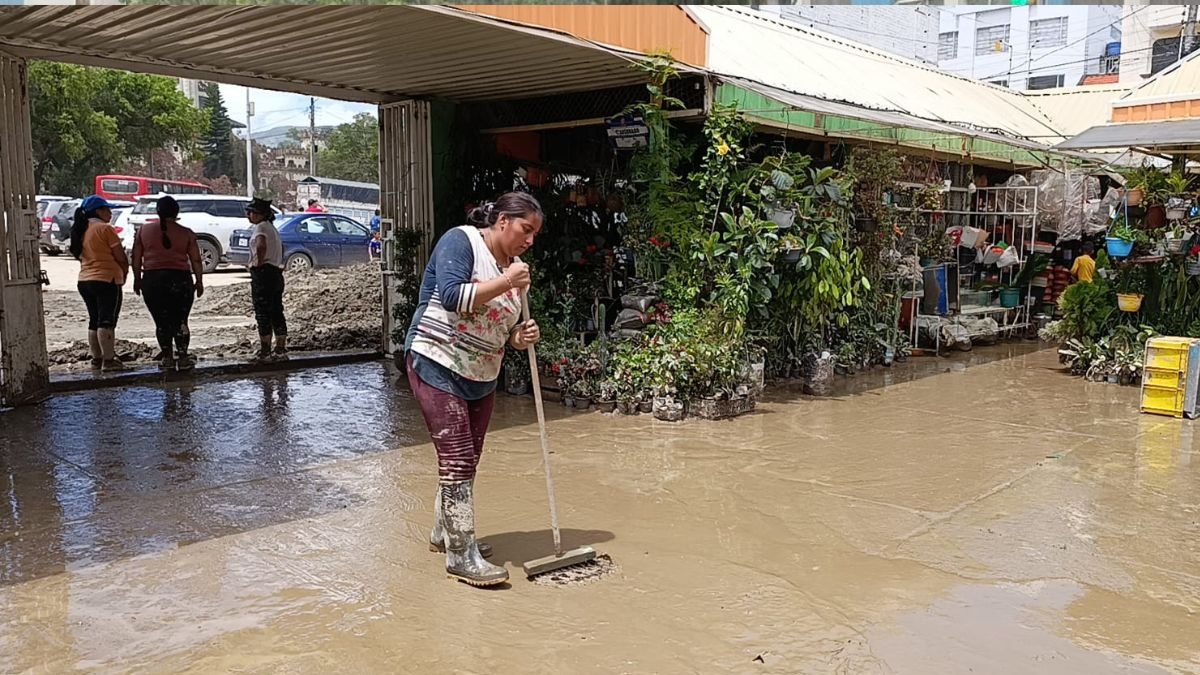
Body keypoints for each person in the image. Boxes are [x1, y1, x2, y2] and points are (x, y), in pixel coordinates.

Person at [405, 191, 543, 588]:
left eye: (534, 233)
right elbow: (452, 298)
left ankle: (443, 533)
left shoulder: (515, 268)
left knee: (469, 459)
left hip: (482, 373)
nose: (529, 240)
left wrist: (520, 336)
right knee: (458, 456)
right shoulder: (461, 241)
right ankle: (461, 554)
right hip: (437, 360)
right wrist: (504, 282)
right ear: (502, 221)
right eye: (525, 229)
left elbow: (502, 326)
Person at [131, 196, 205, 370]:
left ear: (158, 211)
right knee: (181, 321)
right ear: (176, 212)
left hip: (153, 281)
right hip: (181, 281)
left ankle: (167, 358)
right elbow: (196, 260)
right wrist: (199, 281)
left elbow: (136, 258)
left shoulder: (143, 231)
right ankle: (183, 357)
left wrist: (137, 279)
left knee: (161, 322)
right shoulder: (186, 233)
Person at [70, 195, 129, 372]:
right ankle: (109, 360)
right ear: (98, 211)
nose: (110, 213)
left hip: (85, 280)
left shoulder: (80, 229)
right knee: (106, 320)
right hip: (106, 279)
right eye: (107, 209)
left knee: (93, 320)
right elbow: (120, 257)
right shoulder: (104, 229)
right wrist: (125, 272)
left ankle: (96, 358)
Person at [246, 198, 288, 362]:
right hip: (275, 272)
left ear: (261, 214)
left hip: (263, 273)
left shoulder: (261, 227)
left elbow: (261, 245)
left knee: (263, 311)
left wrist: (257, 262)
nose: (249, 215)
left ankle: (265, 351)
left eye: (252, 212)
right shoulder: (272, 228)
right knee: (276, 310)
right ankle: (280, 348)